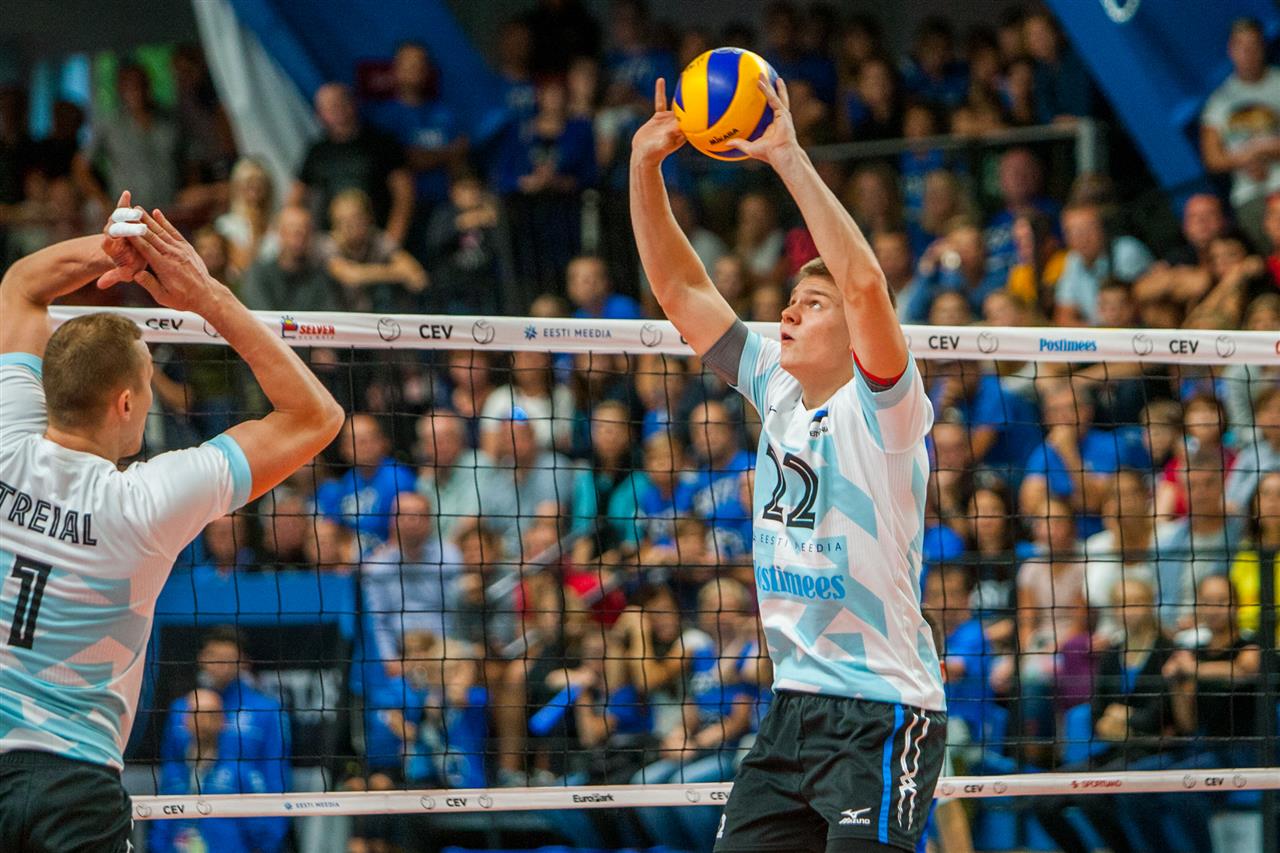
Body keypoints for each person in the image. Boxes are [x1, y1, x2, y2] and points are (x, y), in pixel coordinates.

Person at [631, 74, 945, 852]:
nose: (787, 312)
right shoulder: (774, 382)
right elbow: (678, 288)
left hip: (882, 710)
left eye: (813, 303)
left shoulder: (886, 408)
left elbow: (864, 284)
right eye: (791, 300)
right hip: (791, 707)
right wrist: (643, 168)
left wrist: (786, 156)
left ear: (853, 330)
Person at [0, 195, 342, 852]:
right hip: (72, 789)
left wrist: (109, 247)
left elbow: (21, 285)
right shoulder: (145, 502)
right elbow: (316, 417)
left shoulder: (9, 437)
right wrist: (205, 294)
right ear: (126, 403)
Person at [159, 627, 291, 813]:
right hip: (187, 814)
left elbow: (275, 773)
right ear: (201, 658)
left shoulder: (266, 710)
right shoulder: (182, 707)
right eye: (214, 656)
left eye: (228, 658)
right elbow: (169, 768)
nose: (221, 665)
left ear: (243, 662)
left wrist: (273, 824)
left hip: (243, 817)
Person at [150, 689, 289, 853]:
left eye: (210, 714)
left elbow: (263, 834)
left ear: (222, 720)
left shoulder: (240, 773)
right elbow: (160, 831)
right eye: (196, 713)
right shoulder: (173, 775)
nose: (202, 721)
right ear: (185, 720)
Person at [291, 83, 413, 245]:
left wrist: (392, 241)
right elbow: (295, 200)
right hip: (332, 242)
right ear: (319, 114)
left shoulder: (382, 143)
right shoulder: (317, 151)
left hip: (376, 239)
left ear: (353, 103)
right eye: (328, 107)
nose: (336, 110)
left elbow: (404, 195)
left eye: (339, 103)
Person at [1200, 18, 1280, 250]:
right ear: (1231, 50)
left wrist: (1268, 149)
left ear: (1263, 47)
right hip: (1249, 195)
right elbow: (1212, 159)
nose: (1248, 54)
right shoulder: (1219, 101)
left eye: (1254, 46)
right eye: (1242, 47)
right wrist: (1245, 158)